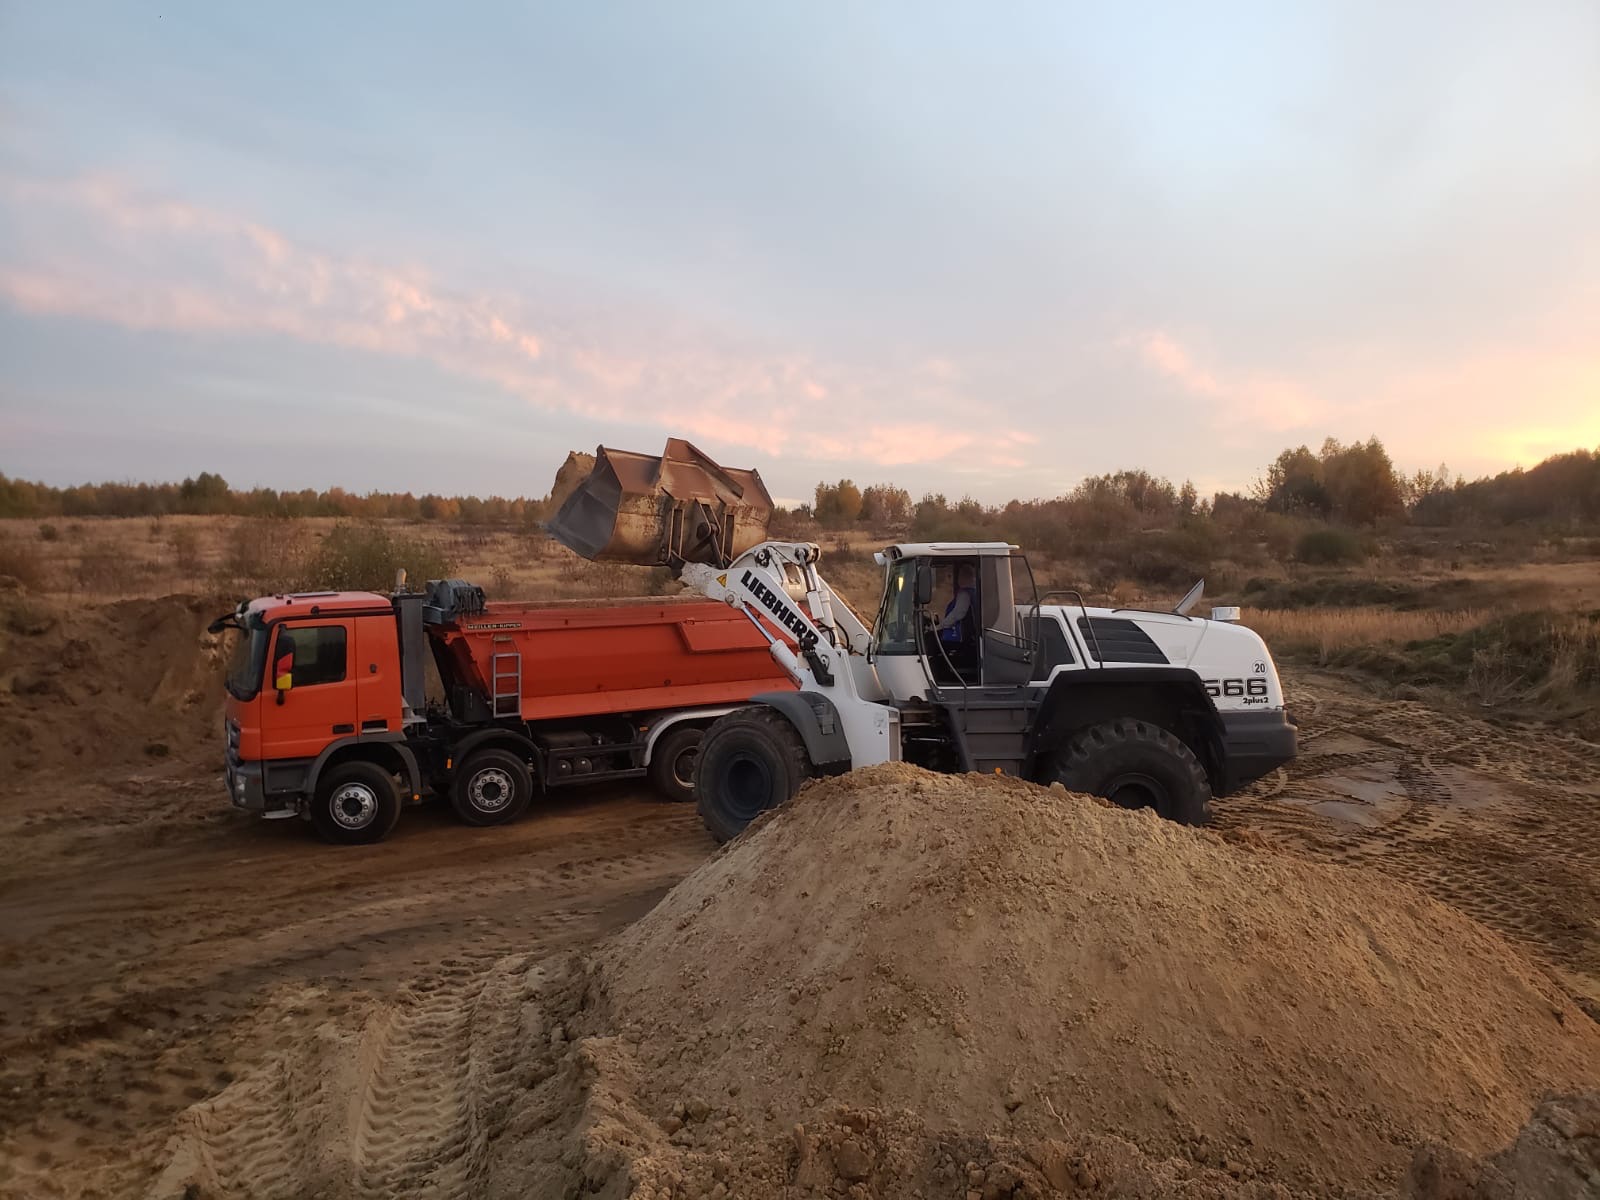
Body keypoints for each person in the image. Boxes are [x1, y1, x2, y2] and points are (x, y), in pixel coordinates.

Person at [929, 563, 978, 655]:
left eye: (959, 576)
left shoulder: (964, 594)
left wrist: (940, 626)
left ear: (964, 577)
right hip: (969, 635)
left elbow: (958, 613)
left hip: (958, 637)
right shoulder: (973, 592)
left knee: (933, 645)